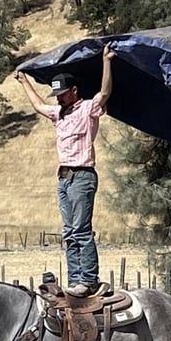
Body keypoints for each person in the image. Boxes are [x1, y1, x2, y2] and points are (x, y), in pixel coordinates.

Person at [15, 44, 115, 297]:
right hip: (63, 178)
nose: (58, 98)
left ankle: (89, 280)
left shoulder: (87, 109)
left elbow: (104, 92)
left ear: (74, 91)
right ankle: (75, 279)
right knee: (68, 232)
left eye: (62, 94)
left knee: (81, 230)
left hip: (82, 175)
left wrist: (107, 61)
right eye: (56, 95)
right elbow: (39, 106)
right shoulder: (58, 114)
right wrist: (24, 82)